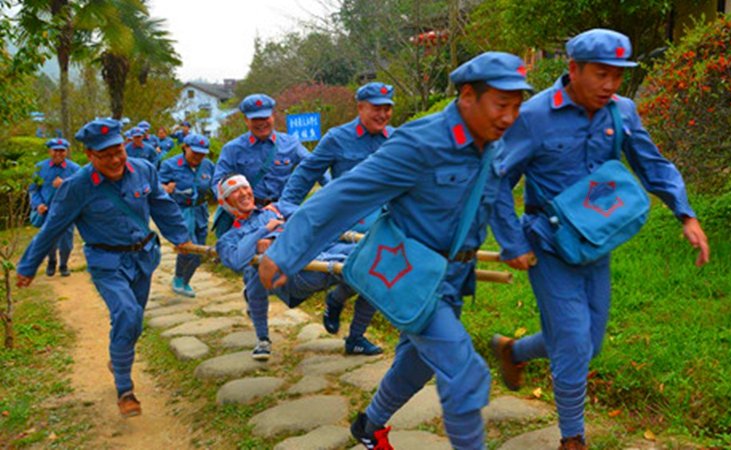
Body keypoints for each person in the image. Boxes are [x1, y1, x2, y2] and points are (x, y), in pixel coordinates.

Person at [258, 52, 533, 450]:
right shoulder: (421, 143)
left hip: (453, 278)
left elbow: (497, 194)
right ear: (467, 97)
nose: (509, 117)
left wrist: (514, 242)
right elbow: (345, 195)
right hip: (411, 275)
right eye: (501, 104)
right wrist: (286, 251)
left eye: (516, 106)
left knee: (417, 363)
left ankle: (369, 425)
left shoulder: (492, 142)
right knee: (465, 373)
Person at [488, 29, 711, 450]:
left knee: (588, 344)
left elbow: (652, 164)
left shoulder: (621, 111)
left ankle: (513, 351)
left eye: (618, 75)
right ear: (574, 69)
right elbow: (498, 180)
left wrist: (686, 214)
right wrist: (513, 242)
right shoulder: (533, 116)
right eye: (601, 74)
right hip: (547, 245)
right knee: (573, 341)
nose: (611, 85)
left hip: (596, 241)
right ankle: (572, 438)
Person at [16, 118, 191, 418]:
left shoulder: (144, 170)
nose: (115, 160)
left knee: (133, 321)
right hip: (107, 263)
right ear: (89, 155)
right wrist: (28, 266)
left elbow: (162, 205)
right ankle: (125, 388)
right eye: (105, 155)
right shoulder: (76, 187)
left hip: (143, 258)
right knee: (127, 312)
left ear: (124, 145)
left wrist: (180, 237)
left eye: (118, 151)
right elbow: (52, 228)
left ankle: (118, 356)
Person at [280, 81, 396, 348]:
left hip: (387, 219)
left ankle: (351, 328)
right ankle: (338, 303)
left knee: (379, 274)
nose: (383, 114)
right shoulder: (337, 138)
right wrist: (287, 208)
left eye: (387, 108)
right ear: (360, 107)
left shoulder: (396, 138)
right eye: (376, 108)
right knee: (363, 270)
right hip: (351, 221)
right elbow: (306, 172)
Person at [216, 175, 383, 360]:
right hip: (298, 273)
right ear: (225, 201)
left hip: (324, 249)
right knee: (356, 268)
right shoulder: (230, 237)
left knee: (376, 264)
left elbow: (310, 218)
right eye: (234, 191)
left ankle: (352, 332)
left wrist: (276, 235)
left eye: (245, 187)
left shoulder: (277, 208)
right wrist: (263, 232)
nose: (243, 193)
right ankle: (264, 339)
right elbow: (237, 261)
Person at [211, 93, 329, 237]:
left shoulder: (290, 144)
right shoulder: (232, 149)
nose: (261, 123)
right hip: (245, 217)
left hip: (279, 213)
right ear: (246, 120)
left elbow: (316, 167)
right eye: (255, 119)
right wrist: (238, 208)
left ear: (273, 116)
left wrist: (335, 192)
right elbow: (218, 185)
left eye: (265, 117)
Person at [158, 133, 215, 297]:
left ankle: (185, 280)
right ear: (185, 148)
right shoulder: (170, 165)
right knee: (189, 247)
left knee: (200, 252)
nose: (198, 157)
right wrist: (165, 188)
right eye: (195, 152)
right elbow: (157, 186)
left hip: (200, 211)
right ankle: (178, 278)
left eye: (202, 154)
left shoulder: (208, 165)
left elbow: (216, 184)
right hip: (181, 211)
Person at [27, 138, 81, 276]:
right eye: (55, 150)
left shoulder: (75, 169)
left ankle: (64, 264)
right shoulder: (40, 167)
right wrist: (38, 204)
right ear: (49, 151)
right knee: (49, 240)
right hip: (47, 211)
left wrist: (65, 184)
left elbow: (82, 190)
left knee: (66, 242)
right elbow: (33, 189)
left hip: (67, 212)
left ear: (66, 152)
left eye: (62, 150)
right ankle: (52, 262)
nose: (58, 153)